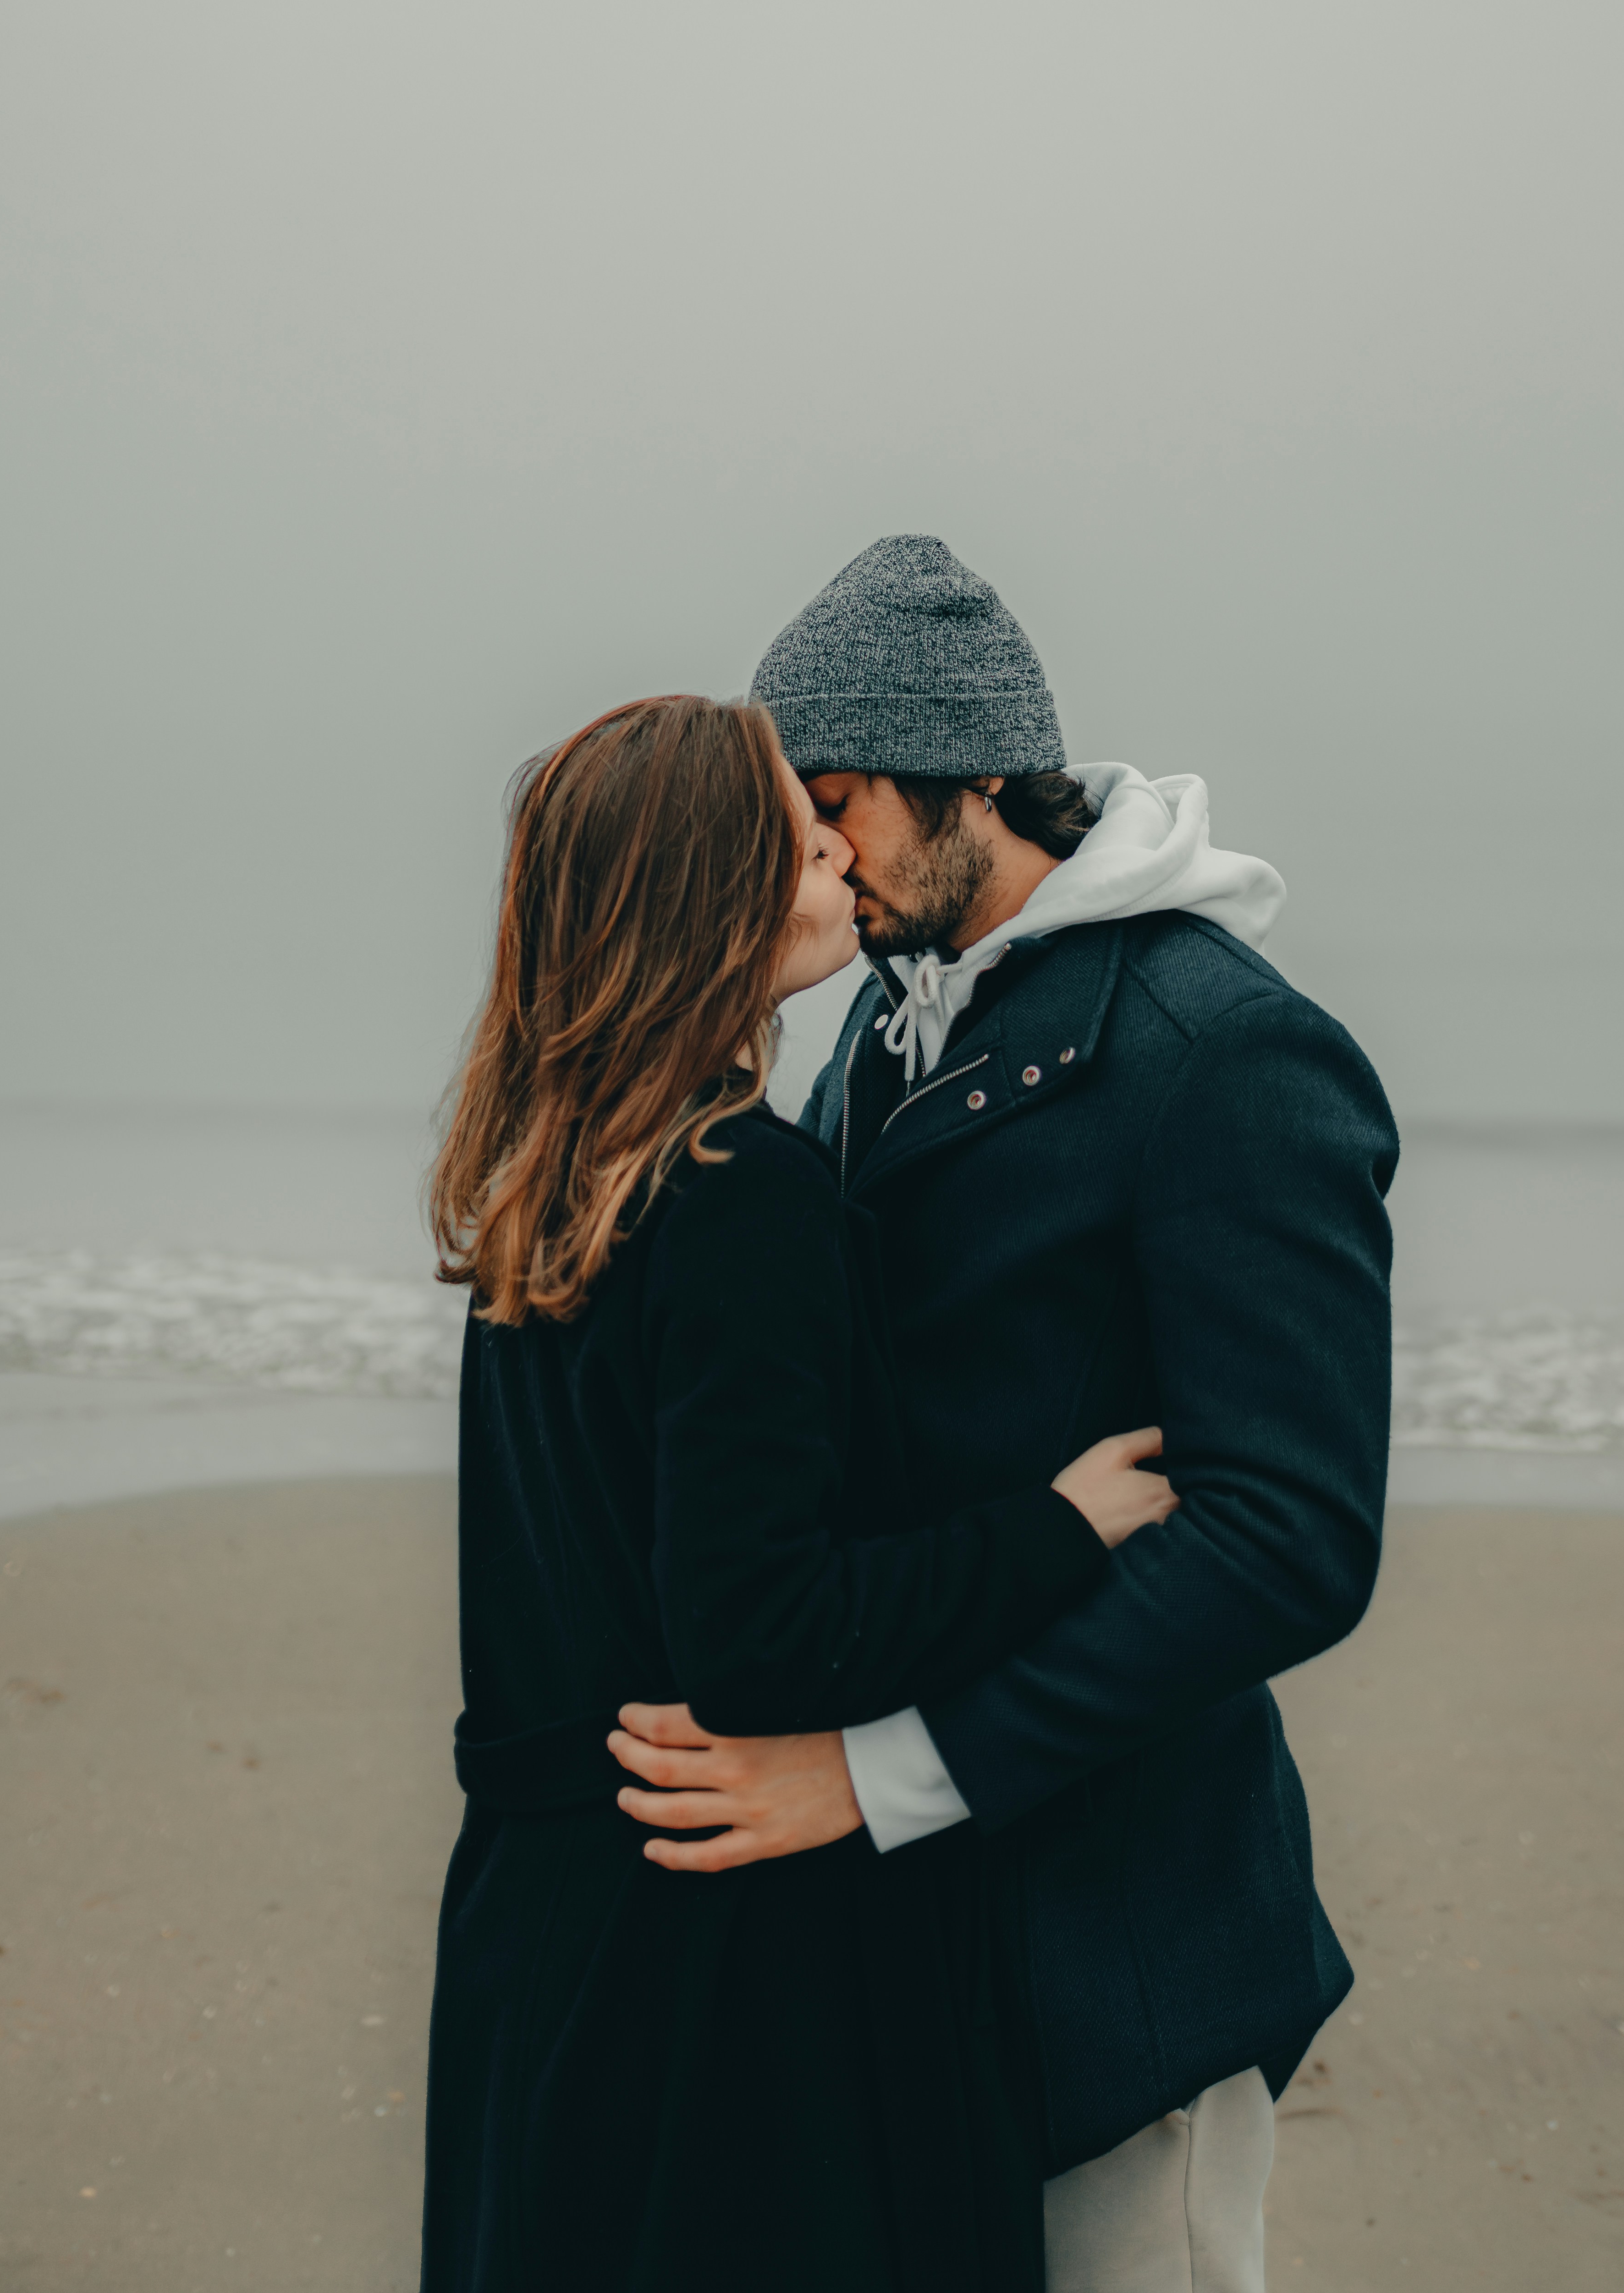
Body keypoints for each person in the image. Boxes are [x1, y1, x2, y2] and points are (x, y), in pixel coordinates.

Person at [606, 539, 1399, 2293]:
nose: (808, 858)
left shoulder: (1225, 1054)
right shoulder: (887, 1015)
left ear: (967, 779)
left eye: (834, 805)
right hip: (923, 1951)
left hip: (1125, 1942)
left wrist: (881, 1780)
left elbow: (1293, 1542)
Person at [418, 689, 1180, 2293]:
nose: (836, 844)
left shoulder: (549, 1179)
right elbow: (764, 1636)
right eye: (797, 817)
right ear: (717, 886)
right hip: (715, 1955)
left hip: (536, 1924)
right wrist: (1054, 1530)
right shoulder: (739, 1194)